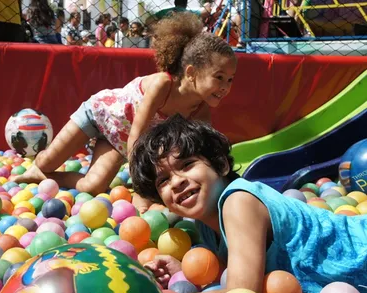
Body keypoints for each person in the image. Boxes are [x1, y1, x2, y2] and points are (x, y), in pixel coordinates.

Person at [129, 114, 367, 293]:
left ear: (220, 164)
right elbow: (236, 269)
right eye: (163, 180)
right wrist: (186, 269)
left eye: (188, 164)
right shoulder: (205, 226)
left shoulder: (238, 201)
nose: (177, 181)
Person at [13, 12, 237, 199]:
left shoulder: (200, 110)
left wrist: (221, 179)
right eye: (219, 77)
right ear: (191, 73)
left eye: (230, 79)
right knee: (46, 161)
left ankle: (43, 178)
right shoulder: (163, 84)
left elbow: (203, 152)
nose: (226, 87)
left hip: (118, 138)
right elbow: (136, 136)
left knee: (92, 187)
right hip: (99, 115)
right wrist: (144, 184)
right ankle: (39, 168)